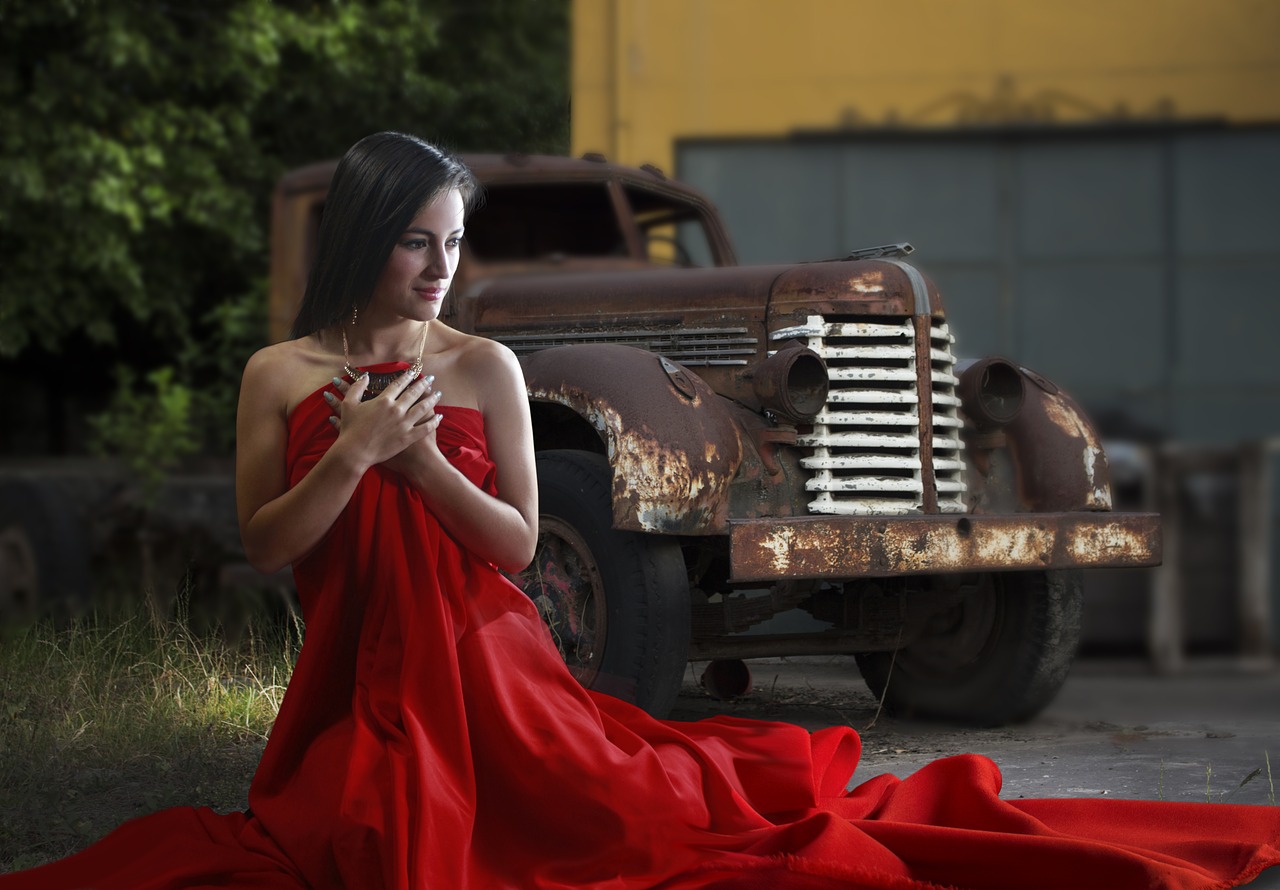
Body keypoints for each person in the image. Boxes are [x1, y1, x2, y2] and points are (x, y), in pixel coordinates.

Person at [3, 131, 1278, 890]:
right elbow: (265, 540)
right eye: (417, 242)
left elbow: (511, 547)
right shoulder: (277, 375)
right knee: (349, 840)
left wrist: (420, 466)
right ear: (360, 241)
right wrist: (350, 459)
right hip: (349, 676)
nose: (441, 265)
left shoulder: (482, 364)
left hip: (486, 668)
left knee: (627, 823)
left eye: (453, 242)